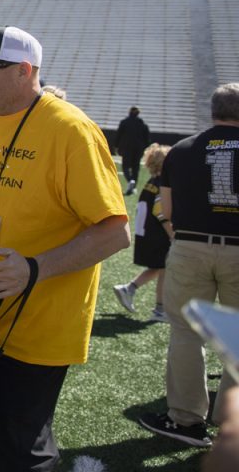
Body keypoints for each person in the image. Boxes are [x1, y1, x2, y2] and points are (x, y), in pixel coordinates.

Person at [0, 26, 129, 472]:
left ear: (25, 71)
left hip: (38, 326)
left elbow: (115, 230)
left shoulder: (72, 130)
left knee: (15, 452)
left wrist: (34, 268)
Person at [138, 82, 239, 449]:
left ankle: (185, 419)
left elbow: (169, 211)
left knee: (185, 332)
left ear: (213, 110)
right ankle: (230, 422)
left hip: (191, 245)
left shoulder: (181, 150)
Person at [112, 143, 173, 322]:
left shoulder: (150, 182)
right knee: (164, 269)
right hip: (157, 233)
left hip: (145, 231)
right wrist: (172, 234)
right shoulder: (162, 183)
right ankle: (160, 310)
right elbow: (160, 211)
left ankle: (128, 289)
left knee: (158, 267)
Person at [116, 106, 151, 196]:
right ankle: (134, 186)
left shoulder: (124, 122)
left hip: (127, 148)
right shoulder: (142, 124)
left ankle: (130, 180)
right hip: (138, 149)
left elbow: (118, 135)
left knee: (125, 167)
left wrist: (116, 146)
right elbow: (147, 139)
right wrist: (145, 148)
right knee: (136, 167)